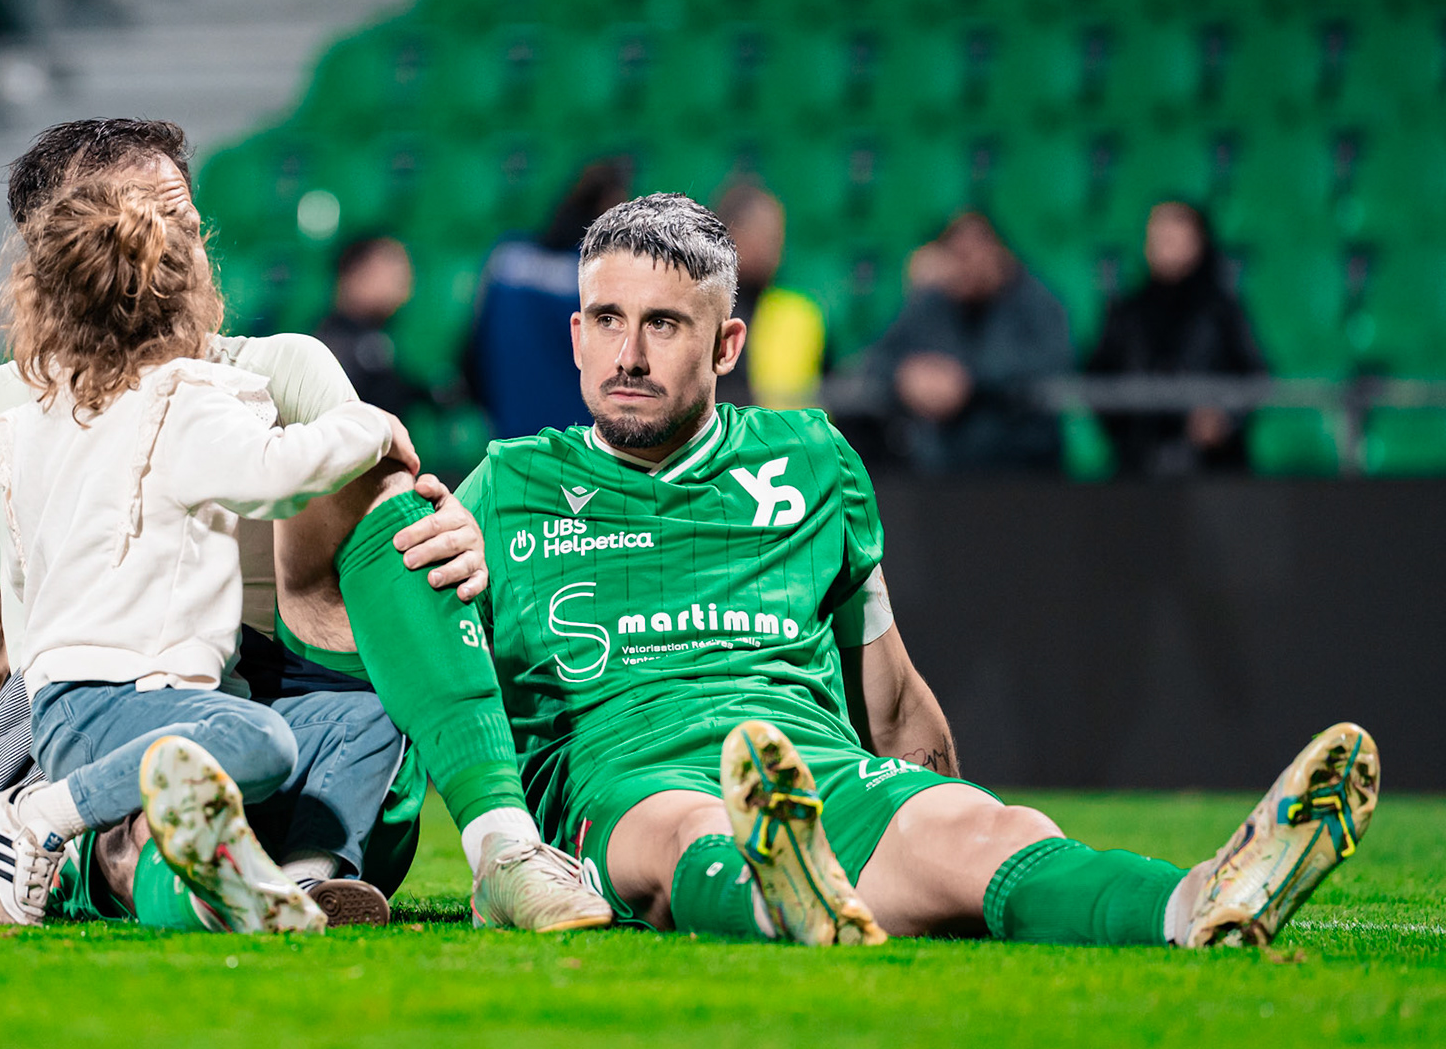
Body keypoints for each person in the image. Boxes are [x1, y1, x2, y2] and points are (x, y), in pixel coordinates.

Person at [456, 192, 1378, 948]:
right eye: (609, 321)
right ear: (575, 335)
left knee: (993, 833)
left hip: (805, 770)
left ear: (726, 346)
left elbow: (887, 691)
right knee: (687, 829)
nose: (629, 355)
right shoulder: (507, 486)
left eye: (663, 325)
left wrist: (933, 795)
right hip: (628, 777)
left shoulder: (809, 459)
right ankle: (781, 898)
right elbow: (416, 659)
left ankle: (1202, 901)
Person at [0, 119, 608, 935]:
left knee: (362, 670)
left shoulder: (279, 368)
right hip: (82, 717)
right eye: (144, 223)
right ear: (61, 251)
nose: (178, 246)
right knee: (165, 806)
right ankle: (166, 865)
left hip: (253, 691)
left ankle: (474, 852)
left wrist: (448, 522)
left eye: (186, 222)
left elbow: (395, 516)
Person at [0, 169, 409, 932]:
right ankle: (41, 817)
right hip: (120, 702)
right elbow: (278, 478)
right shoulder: (184, 400)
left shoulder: (34, 419)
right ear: (188, 298)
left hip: (76, 704)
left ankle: (302, 883)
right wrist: (368, 424)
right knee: (261, 740)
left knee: (363, 716)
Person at [869, 211, 1073, 473]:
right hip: (943, 470)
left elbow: (1054, 361)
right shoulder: (933, 303)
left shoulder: (1034, 301)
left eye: (978, 250)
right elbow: (877, 360)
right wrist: (906, 376)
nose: (970, 264)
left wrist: (968, 378)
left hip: (1022, 465)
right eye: (959, 254)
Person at [1089, 201, 1267, 477]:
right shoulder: (1128, 312)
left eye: (1172, 237)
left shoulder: (1221, 311)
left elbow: (1255, 375)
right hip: (1140, 466)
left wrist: (1223, 418)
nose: (1162, 245)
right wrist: (1130, 423)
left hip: (1211, 468)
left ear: (1197, 242)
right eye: (1156, 237)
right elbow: (1098, 377)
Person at [470, 158, 630, 439]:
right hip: (576, 438)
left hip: (509, 432)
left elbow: (473, 347)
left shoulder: (507, 257)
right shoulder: (597, 274)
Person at [712, 182, 824, 411]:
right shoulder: (705, 310)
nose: (772, 246)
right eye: (761, 232)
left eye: (776, 235)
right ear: (729, 233)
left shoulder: (797, 312)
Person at [313, 235, 428, 419]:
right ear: (354, 273)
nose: (403, 283)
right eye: (391, 272)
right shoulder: (328, 348)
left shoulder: (381, 342)